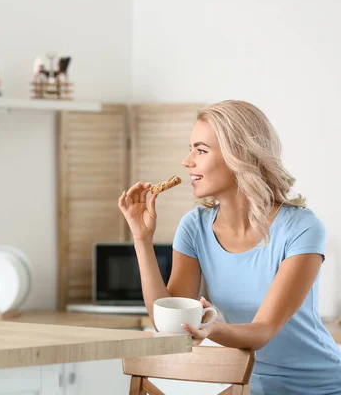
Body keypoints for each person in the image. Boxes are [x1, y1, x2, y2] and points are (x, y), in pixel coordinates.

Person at [118, 100, 341, 394]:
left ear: (239, 155)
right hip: (246, 385)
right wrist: (141, 239)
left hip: (319, 386)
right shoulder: (194, 227)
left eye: (200, 150)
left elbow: (263, 331)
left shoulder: (301, 228)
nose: (187, 161)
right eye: (190, 148)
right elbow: (169, 322)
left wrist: (210, 328)